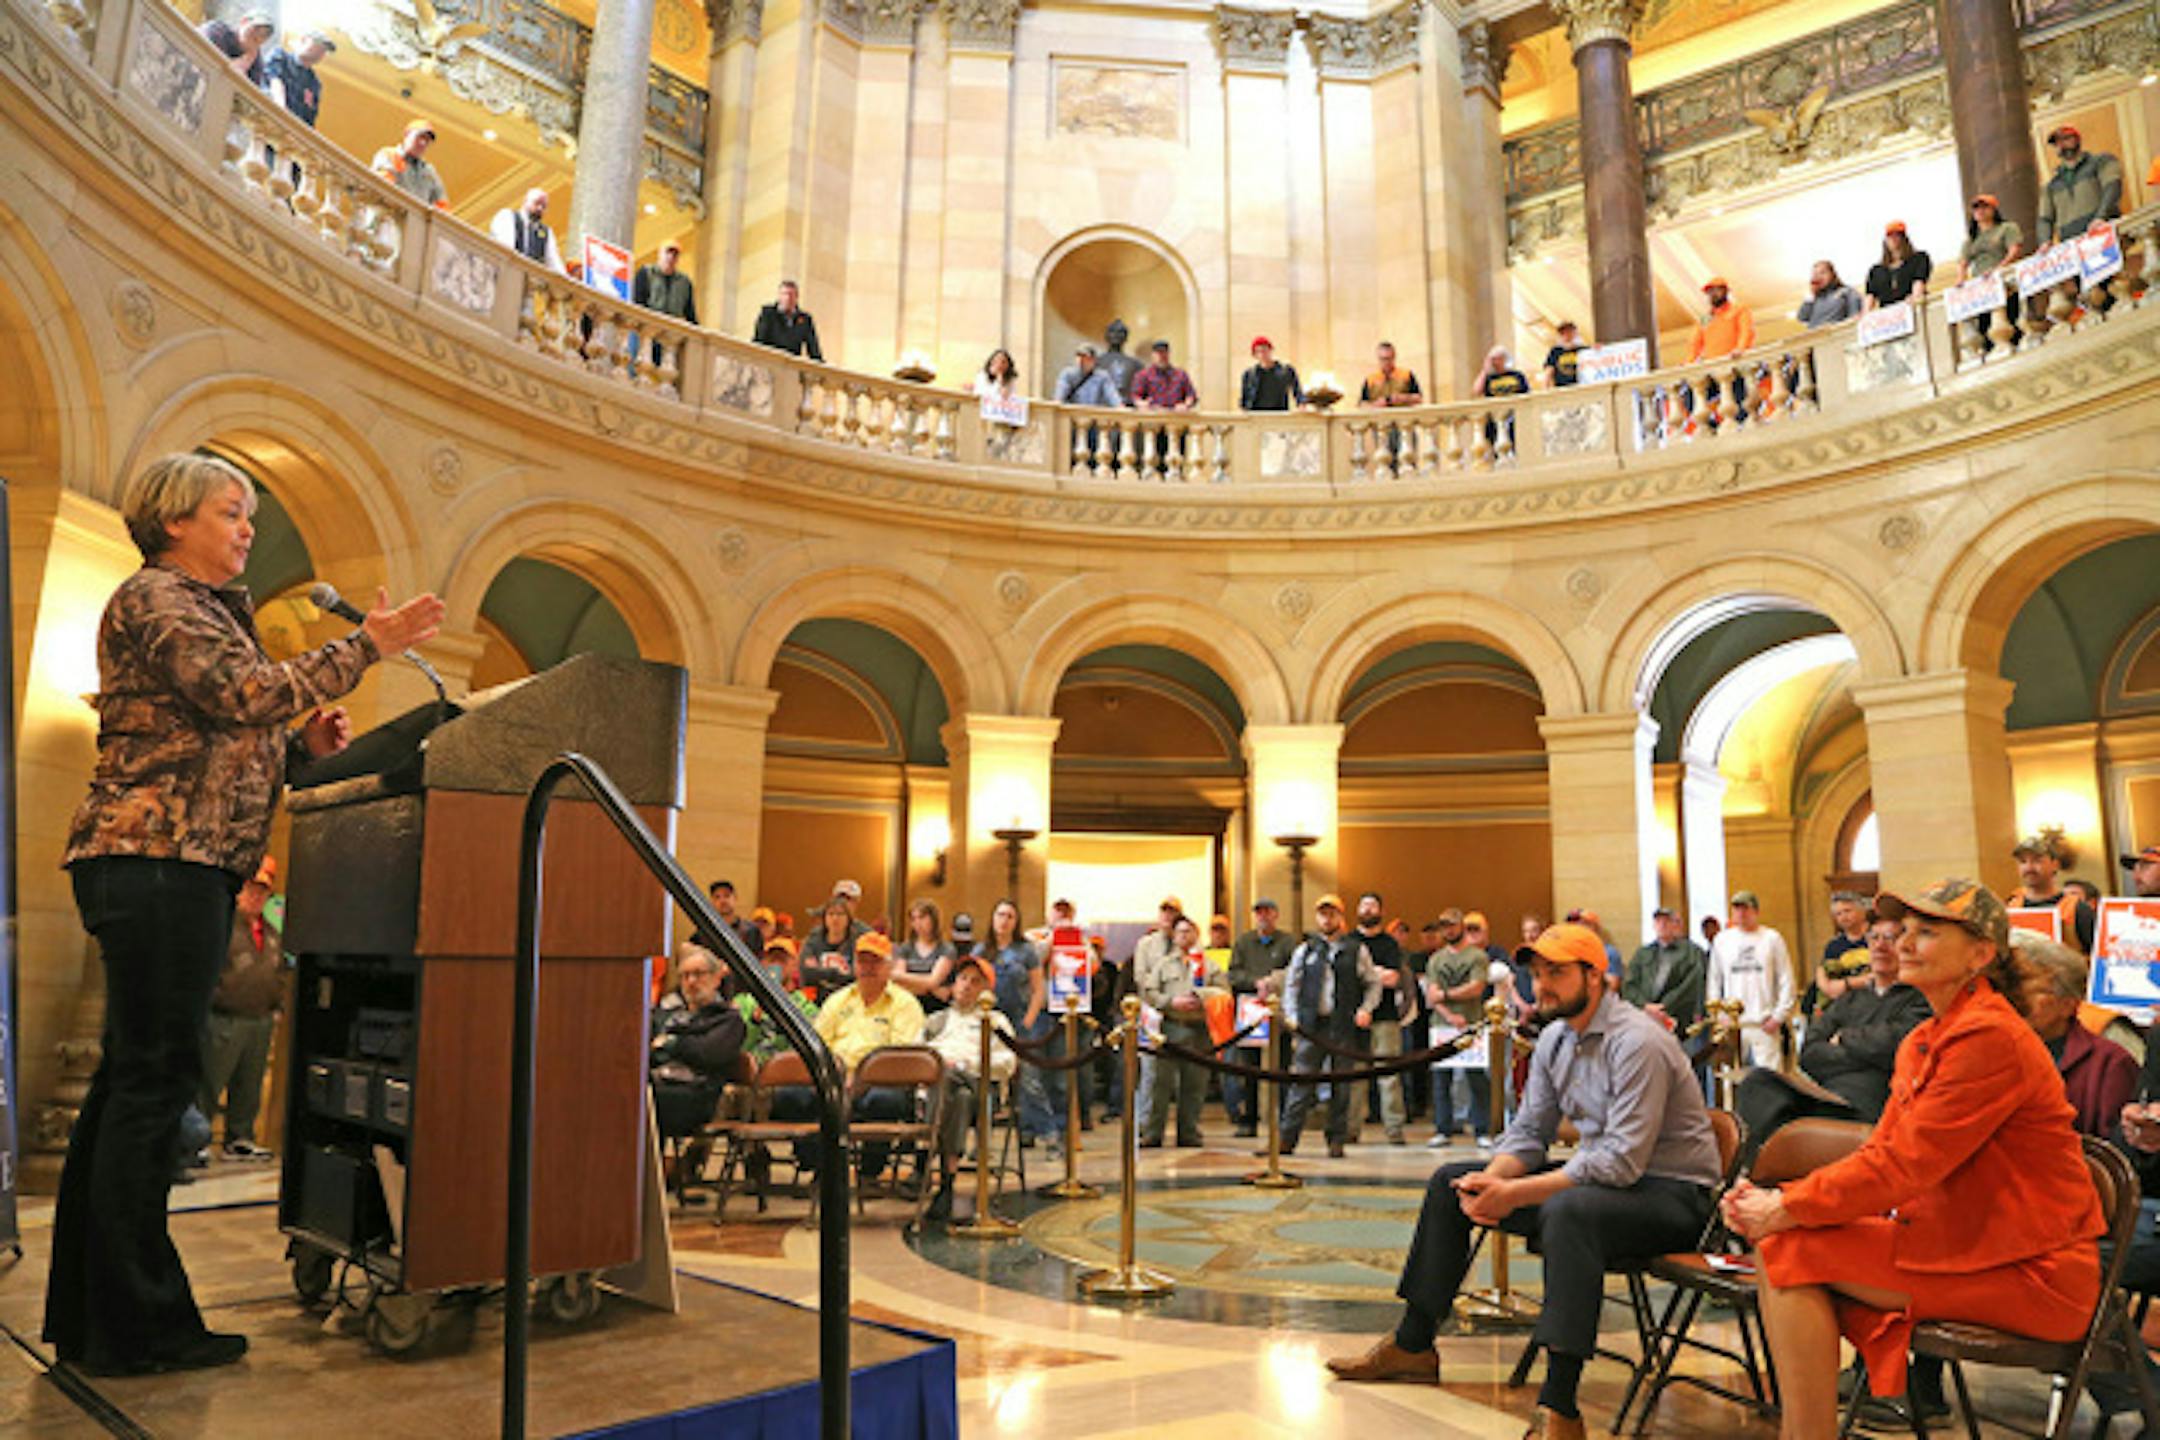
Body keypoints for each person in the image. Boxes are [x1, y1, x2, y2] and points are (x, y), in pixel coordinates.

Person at [49, 452, 442, 1377]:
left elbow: (234, 734)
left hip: (178, 864)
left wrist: (298, 748)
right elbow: (241, 695)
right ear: (175, 519)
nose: (248, 529)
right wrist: (367, 648)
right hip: (155, 860)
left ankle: (94, 1315)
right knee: (150, 1089)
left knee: (128, 1091)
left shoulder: (205, 611)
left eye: (251, 516)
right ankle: (140, 1325)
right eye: (233, 511)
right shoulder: (158, 597)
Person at [1725, 879, 2104, 1438]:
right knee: (1787, 1243)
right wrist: (1784, 1202)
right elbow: (1882, 1152)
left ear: (1981, 955)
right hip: (1968, 1247)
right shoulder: (1926, 1037)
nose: (1903, 941)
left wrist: (1786, 1206)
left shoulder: (1989, 1036)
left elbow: (1903, 1168)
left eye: (1927, 932)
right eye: (1905, 929)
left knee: (1788, 1247)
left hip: (2035, 1272)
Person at [1327, 923, 1722, 1440]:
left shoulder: (1638, 1043)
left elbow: (1621, 1162)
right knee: (1453, 1182)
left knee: (1569, 1211)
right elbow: (1531, 1131)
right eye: (1535, 974)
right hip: (1610, 1187)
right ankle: (1414, 1344)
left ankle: (1560, 1406)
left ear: (1596, 977)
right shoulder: (1557, 1037)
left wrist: (1515, 1194)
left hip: (1674, 1197)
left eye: (1556, 973)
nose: (1541, 985)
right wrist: (1490, 1181)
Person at [1736, 910, 1931, 1161]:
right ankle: (1753, 1174)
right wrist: (1865, 1052)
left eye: (1890, 938)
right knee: (1759, 1082)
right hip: (1827, 1096)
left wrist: (1844, 1039)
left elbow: (1896, 1044)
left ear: (1906, 946)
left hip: (1872, 1101)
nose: (1880, 946)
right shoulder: (1848, 1000)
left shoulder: (1918, 999)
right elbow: (1809, 1053)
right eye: (1874, 938)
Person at [778, 932, 924, 1180]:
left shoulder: (905, 1004)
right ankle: (818, 1165)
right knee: (789, 1096)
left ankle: (870, 1169)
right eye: (862, 961)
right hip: (833, 1079)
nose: (868, 968)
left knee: (883, 1101)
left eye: (875, 961)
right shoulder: (837, 1000)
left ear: (889, 966)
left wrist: (860, 1079)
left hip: (880, 1083)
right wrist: (832, 1076)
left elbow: (901, 1058)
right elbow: (817, 1045)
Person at [1280, 895, 1382, 1159]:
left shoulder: (1355, 949)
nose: (1327, 919)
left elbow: (1373, 982)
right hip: (1311, 1026)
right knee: (1301, 1083)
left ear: (1341, 916)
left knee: (1341, 1086)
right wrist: (1291, 1015)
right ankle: (1287, 1138)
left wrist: (1365, 1009)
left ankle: (1336, 1139)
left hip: (1342, 1026)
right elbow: (1292, 985)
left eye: (1332, 913)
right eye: (1323, 914)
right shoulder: (1306, 949)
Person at [198, 857, 284, 1160]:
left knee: (250, 1083)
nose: (256, 897)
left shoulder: (271, 933)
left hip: (260, 1018)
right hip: (224, 1017)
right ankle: (197, 1138)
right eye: (252, 889)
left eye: (263, 892)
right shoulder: (223, 926)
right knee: (210, 1080)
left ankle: (241, 1136)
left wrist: (277, 1006)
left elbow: (280, 971)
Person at [921, 953, 1015, 1221]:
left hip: (984, 1091)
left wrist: (967, 1064)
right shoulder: (937, 1021)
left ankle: (929, 1150)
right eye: (962, 978)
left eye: (975, 981)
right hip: (944, 1092)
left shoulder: (996, 1022)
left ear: (986, 990)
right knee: (957, 1095)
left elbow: (1008, 1062)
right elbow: (918, 1055)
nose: (966, 985)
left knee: (954, 1081)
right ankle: (948, 1183)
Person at [2016, 932, 2135, 1135]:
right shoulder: (1988, 1051)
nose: (2016, 1000)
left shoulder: (2110, 1063)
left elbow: (2112, 1155)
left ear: (2068, 1004)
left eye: (2031, 991)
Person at [649, 941, 747, 1140]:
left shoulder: (728, 1019)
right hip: (661, 1084)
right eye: (685, 976)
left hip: (697, 1095)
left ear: (716, 979)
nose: (691, 981)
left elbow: (708, 1054)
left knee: (643, 1103)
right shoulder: (668, 1015)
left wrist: (671, 1044)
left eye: (698, 974)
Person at [1138, 915, 1221, 1147]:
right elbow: (1149, 992)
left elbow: (1223, 992)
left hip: (1198, 1031)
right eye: (1180, 932)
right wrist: (1171, 1002)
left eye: (1189, 931)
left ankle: (1189, 1132)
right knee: (1159, 1085)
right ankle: (1152, 1132)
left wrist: (1200, 997)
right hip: (1169, 1029)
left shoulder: (1210, 964)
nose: (1185, 935)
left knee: (1194, 1085)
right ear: (1174, 936)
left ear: (1197, 935)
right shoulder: (1163, 965)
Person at [979, 898, 1056, 1145]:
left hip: (1019, 1020)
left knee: (1029, 1080)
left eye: (1009, 916)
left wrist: (1030, 1019)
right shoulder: (981, 951)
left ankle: (1046, 1135)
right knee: (987, 1081)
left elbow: (1037, 988)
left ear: (1016, 921)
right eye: (1000, 915)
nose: (1004, 920)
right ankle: (983, 1142)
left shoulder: (1026, 951)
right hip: (990, 1022)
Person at [1224, 898, 1293, 1137]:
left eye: (1268, 912)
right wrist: (1254, 982)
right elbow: (1233, 973)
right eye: (1259, 913)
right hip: (1250, 1008)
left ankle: (1285, 1120)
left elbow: (1294, 971)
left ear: (1276, 915)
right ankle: (1249, 1118)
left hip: (1279, 1008)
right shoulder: (1243, 941)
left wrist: (1272, 982)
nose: (1263, 916)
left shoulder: (1288, 941)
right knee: (1249, 1067)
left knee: (1282, 1065)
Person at [1424, 909, 1493, 1146]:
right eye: (1443, 925)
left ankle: (1482, 1129)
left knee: (1476, 1079)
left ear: (1461, 925)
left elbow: (1476, 987)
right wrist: (1449, 1014)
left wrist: (1446, 995)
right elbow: (1432, 996)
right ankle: (1443, 1129)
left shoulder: (1477, 956)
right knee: (1442, 1079)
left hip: (1472, 1022)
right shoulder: (1436, 959)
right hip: (1442, 1024)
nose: (1448, 930)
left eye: (1452, 925)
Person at [1707, 889, 1795, 1069]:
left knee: (1770, 1080)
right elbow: (1714, 980)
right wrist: (1719, 1015)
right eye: (1737, 909)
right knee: (1731, 1080)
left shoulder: (1772, 938)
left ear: (1756, 911)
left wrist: (1779, 1016)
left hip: (1764, 1022)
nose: (1741, 914)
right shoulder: (1722, 940)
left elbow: (1786, 979)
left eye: (1746, 909)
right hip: (1732, 1025)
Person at [1356, 891, 1414, 1145]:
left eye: (1373, 906)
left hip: (1385, 1016)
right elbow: (1346, 978)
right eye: (1364, 906)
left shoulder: (1389, 944)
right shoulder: (1349, 941)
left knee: (1389, 1075)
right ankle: (1349, 1128)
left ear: (1381, 911)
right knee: (1353, 1075)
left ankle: (1394, 1129)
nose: (1368, 910)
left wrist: (1366, 973)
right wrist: (1375, 973)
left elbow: (1393, 978)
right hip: (1355, 1017)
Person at [2008, 828, 2097, 952]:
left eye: (2037, 860)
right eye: (2023, 862)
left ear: (2055, 865)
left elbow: (2097, 957)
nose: (2029, 867)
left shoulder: (2077, 909)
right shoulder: (2011, 907)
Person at [1621, 907, 1707, 1036]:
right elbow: (1629, 985)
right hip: (1644, 1017)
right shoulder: (1643, 953)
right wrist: (1645, 1005)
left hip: (1679, 1017)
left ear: (1676, 925)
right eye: (1658, 921)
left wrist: (1664, 1007)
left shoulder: (1693, 952)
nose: (1662, 925)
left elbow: (1692, 985)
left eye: (1667, 921)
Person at [2035, 124, 2124, 245]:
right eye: (2057, 143)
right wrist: (2044, 240)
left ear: (2077, 139)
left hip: (2105, 233)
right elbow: (2045, 218)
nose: (2061, 145)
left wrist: (2101, 217)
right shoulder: (2051, 186)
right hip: (2073, 246)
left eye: (2066, 139)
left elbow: (2112, 186)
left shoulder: (2101, 162)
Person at [736, 936, 820, 1063]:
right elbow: (738, 1047)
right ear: (762, 964)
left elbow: (808, 1053)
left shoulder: (806, 1008)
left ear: (794, 966)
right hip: (750, 1074)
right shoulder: (744, 1002)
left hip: (786, 1075)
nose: (776, 965)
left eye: (782, 960)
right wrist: (754, 1020)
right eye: (771, 960)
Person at [1955, 193, 2024, 348]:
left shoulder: (2006, 228)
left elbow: (2014, 250)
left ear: (1993, 209)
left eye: (1984, 206)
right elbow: (1962, 262)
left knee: (2010, 319)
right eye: (1976, 208)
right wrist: (1961, 279)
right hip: (1982, 289)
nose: (1980, 210)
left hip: (2004, 282)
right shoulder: (1972, 240)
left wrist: (1999, 269)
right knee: (1985, 326)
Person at [894, 898, 956, 1013]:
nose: (918, 923)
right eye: (913, 919)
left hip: (937, 1008)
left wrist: (914, 982)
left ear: (933, 919)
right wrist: (932, 989)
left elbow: (933, 980)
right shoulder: (906, 948)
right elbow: (898, 981)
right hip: (909, 1005)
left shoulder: (946, 949)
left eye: (922, 918)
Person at [489, 188, 568, 276]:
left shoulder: (546, 232)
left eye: (544, 206)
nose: (540, 208)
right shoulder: (507, 217)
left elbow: (554, 261)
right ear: (525, 201)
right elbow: (506, 248)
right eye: (537, 203)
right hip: (504, 272)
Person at [370, 119, 447, 209]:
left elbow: (442, 206)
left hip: (416, 221)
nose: (423, 143)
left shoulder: (429, 172)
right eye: (420, 137)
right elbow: (384, 188)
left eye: (427, 140)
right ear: (406, 134)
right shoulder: (388, 155)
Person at [264, 32, 334, 128]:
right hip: (265, 114)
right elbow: (274, 80)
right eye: (318, 44)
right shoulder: (280, 56)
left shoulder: (314, 83)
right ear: (304, 40)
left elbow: (309, 118)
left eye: (325, 50)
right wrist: (281, 110)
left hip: (288, 132)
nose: (320, 51)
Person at [798, 896, 860, 1002]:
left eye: (840, 914)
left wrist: (823, 975)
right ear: (825, 918)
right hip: (816, 999)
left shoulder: (857, 944)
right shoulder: (812, 942)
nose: (835, 918)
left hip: (848, 999)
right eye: (831, 914)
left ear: (848, 919)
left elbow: (856, 976)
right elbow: (807, 973)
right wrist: (836, 974)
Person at [1863, 221, 1931, 309]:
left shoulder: (1919, 259)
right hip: (1888, 315)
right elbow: (1869, 298)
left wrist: (1915, 297)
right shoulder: (1876, 271)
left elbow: (1919, 282)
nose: (1894, 239)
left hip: (1910, 308)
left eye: (1897, 235)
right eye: (1890, 236)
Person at [1687, 277, 1755, 362]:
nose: (1713, 294)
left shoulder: (1739, 310)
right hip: (1715, 366)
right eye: (1710, 292)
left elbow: (1746, 331)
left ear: (1726, 291)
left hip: (1736, 360)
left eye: (1717, 290)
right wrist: (1689, 361)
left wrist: (1740, 349)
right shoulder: (1706, 318)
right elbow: (1695, 343)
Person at [751, 280, 823, 361]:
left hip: (792, 363)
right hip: (770, 360)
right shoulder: (768, 313)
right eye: (785, 294)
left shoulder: (805, 319)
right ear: (779, 296)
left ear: (797, 297)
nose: (788, 298)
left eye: (791, 295)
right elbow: (758, 340)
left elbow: (814, 349)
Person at [199, 10, 273, 87]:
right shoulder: (216, 31)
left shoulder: (256, 62)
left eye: (265, 35)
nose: (258, 35)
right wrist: (239, 65)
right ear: (243, 22)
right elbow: (207, 65)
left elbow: (247, 92)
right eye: (257, 28)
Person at [1239, 336, 1303, 411]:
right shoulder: (1249, 375)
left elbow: (1297, 391)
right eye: (1258, 351)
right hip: (1256, 415)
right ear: (1255, 355)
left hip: (1279, 414)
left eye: (1265, 350)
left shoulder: (1286, 371)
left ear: (1270, 350)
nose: (1262, 354)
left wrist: (1301, 404)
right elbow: (1245, 398)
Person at [1794, 261, 1862, 328]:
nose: (1819, 277)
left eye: (1822, 273)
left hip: (1837, 335)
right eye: (1815, 274)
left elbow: (1855, 318)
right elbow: (1802, 318)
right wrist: (1811, 295)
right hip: (1815, 335)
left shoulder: (1847, 292)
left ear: (1832, 274)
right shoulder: (1813, 298)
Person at [705, 877, 762, 955]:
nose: (723, 901)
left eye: (727, 896)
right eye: (717, 897)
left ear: (735, 898)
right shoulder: (705, 931)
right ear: (712, 902)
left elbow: (758, 959)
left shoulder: (751, 930)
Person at [1095, 318, 1143, 401]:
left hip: (1126, 407)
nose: (1116, 335)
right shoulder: (1097, 361)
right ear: (1106, 336)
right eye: (1112, 331)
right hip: (1102, 407)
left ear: (1126, 337)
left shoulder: (1136, 364)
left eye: (1120, 332)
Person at [1541, 321, 1588, 388]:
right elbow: (1549, 371)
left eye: (1570, 331)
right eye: (1564, 333)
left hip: (1581, 386)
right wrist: (1545, 389)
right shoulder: (1555, 351)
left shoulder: (1584, 350)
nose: (1568, 335)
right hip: (1562, 388)